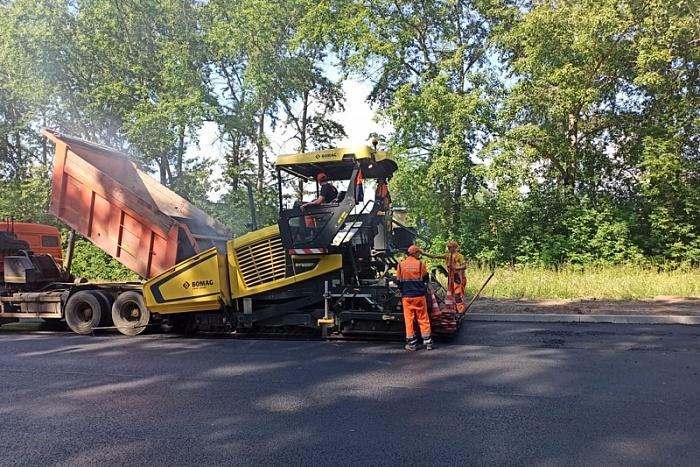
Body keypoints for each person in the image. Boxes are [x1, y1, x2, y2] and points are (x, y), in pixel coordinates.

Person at [396, 245, 433, 351]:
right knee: (423, 318)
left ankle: (412, 344)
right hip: (419, 296)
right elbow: (426, 278)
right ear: (415, 253)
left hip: (407, 297)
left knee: (409, 320)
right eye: (419, 253)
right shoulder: (421, 264)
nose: (419, 255)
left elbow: (398, 281)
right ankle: (428, 342)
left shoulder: (400, 265)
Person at [425, 240, 466, 313]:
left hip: (458, 278)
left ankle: (460, 310)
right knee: (451, 294)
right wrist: (424, 253)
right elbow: (435, 256)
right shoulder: (447, 255)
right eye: (448, 247)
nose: (449, 248)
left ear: (454, 247)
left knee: (457, 294)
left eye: (450, 247)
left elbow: (464, 266)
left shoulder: (459, 256)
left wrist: (456, 267)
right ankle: (453, 309)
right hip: (451, 278)